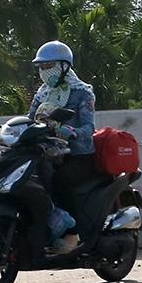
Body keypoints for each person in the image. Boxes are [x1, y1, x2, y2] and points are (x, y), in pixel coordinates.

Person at [25, 41, 98, 251]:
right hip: (46, 153)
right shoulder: (42, 94)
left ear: (65, 66)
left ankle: (73, 234)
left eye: (50, 66)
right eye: (42, 67)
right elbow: (30, 119)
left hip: (77, 155)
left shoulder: (82, 93)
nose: (45, 72)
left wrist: (72, 131)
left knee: (60, 180)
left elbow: (88, 127)